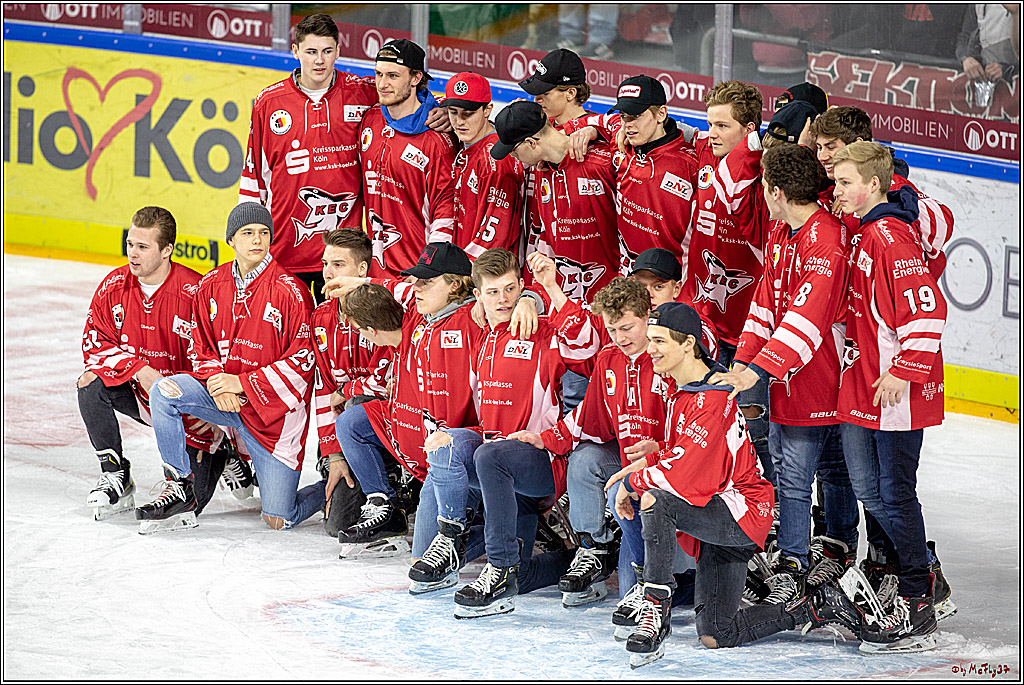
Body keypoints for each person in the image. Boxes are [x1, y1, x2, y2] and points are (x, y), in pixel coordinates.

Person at [605, 302, 863, 667]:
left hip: (739, 512)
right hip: (719, 509)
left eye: (659, 341)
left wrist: (632, 479)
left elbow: (685, 475)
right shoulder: (690, 386)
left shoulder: (709, 397)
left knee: (655, 499)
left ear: (688, 343)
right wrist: (658, 451)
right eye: (650, 340)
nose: (651, 349)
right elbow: (698, 453)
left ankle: (654, 608)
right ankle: (814, 607)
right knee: (717, 635)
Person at [411, 248, 600, 615]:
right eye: (493, 292)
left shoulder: (543, 332)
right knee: (448, 441)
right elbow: (415, 295)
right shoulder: (482, 337)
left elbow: (588, 350)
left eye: (511, 290)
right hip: (498, 470)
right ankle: (467, 547)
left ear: (521, 287)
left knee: (488, 453)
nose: (503, 299)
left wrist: (549, 291)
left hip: (541, 462)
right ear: (477, 296)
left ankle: (497, 567)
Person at [711, 144, 858, 605]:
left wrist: (754, 370)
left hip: (823, 378)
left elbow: (806, 319)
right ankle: (817, 551)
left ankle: (802, 561)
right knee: (807, 471)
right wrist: (743, 359)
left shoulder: (827, 240)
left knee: (805, 475)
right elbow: (765, 305)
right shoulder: (781, 230)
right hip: (789, 376)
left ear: (776, 191)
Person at [137, 202, 322, 533]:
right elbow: (200, 344)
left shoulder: (292, 292)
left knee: (279, 518)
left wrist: (240, 384)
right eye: (248, 233)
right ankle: (179, 483)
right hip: (223, 398)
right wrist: (216, 384)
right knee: (164, 392)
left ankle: (333, 492)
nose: (257, 240)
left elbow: (303, 363)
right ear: (231, 240)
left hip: (272, 419)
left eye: (264, 233)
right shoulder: (211, 284)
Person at [831, 141, 950, 653]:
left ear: (874, 184)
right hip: (866, 383)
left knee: (895, 494)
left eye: (843, 182)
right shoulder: (865, 233)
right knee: (872, 491)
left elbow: (928, 310)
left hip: (894, 391)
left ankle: (917, 599)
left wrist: (905, 369)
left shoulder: (890, 237)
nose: (836, 192)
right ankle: (920, 576)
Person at [78, 206, 242, 520]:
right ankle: (116, 474)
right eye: (130, 244)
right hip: (143, 397)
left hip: (189, 413)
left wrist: (210, 410)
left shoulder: (196, 293)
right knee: (89, 383)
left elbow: (219, 358)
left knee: (190, 504)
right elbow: (94, 345)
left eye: (142, 247)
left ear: (167, 250)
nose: (132, 254)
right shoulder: (113, 286)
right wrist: (138, 368)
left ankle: (224, 450)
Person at [328, 243, 490, 556]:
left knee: (423, 555)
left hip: (449, 453)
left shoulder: (475, 319)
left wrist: (527, 300)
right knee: (352, 420)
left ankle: (504, 530)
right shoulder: (419, 310)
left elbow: (509, 298)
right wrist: (359, 283)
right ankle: (384, 504)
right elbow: (395, 286)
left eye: (425, 282)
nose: (415, 288)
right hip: (414, 436)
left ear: (455, 284)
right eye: (416, 280)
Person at [491, 99, 618, 413]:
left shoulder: (602, 163)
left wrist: (594, 127)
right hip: (567, 312)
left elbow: (629, 128)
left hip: (612, 313)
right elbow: (541, 246)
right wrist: (530, 296)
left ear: (532, 143)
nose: (515, 159)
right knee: (573, 406)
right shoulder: (540, 176)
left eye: (515, 150)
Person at [239, 14, 377, 300]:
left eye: (327, 51)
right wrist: (249, 240)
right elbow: (254, 176)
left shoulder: (363, 94)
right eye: (311, 52)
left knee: (341, 338)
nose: (319, 61)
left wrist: (437, 110)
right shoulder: (269, 102)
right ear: (295, 51)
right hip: (286, 252)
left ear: (338, 51)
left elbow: (404, 96)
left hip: (343, 255)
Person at [686, 80, 774, 485]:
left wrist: (755, 149)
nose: (711, 134)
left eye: (722, 126)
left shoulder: (763, 172)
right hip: (704, 315)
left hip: (749, 327)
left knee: (754, 429)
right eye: (709, 124)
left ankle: (764, 507)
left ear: (749, 129)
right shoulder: (705, 151)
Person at [310, 228, 392, 537]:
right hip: (341, 433)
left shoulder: (384, 309)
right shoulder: (319, 317)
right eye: (325, 263)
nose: (328, 272)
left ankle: (391, 490)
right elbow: (321, 389)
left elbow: (387, 381)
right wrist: (333, 455)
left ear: (362, 270)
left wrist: (348, 391)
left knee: (357, 404)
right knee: (337, 525)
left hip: (384, 423)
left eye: (338, 265)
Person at [809, 106, 955, 276]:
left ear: (857, 144)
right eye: (819, 147)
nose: (822, 156)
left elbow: (942, 224)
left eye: (830, 147)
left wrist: (881, 205)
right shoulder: (832, 189)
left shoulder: (889, 187)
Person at [361, 39, 457, 278]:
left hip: (414, 275)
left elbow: (445, 209)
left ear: (416, 78)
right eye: (379, 74)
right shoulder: (371, 118)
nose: (382, 84)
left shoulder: (436, 139)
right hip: (374, 273)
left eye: (393, 76)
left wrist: (430, 270)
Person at [441, 72, 527, 259]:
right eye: (453, 112)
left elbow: (496, 239)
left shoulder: (496, 160)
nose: (459, 121)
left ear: (488, 110)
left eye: (468, 113)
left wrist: (460, 271)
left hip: (485, 274)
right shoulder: (469, 146)